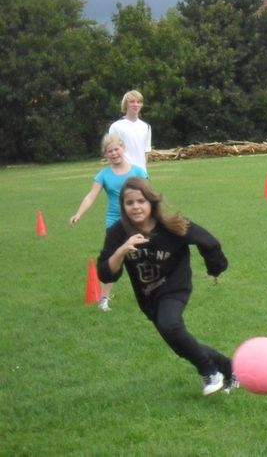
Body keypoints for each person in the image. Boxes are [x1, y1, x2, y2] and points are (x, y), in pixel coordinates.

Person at [96, 177, 238, 396]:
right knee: (180, 344)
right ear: (123, 207)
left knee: (170, 325)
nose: (136, 207)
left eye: (141, 201)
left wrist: (215, 268)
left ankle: (209, 371)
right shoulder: (119, 232)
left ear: (151, 202)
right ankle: (231, 369)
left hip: (174, 286)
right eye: (129, 203)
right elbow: (105, 273)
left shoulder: (171, 225)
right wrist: (122, 250)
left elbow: (209, 242)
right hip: (148, 297)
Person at [70, 134, 148, 311]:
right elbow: (91, 196)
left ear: (123, 148)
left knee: (143, 258)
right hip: (114, 223)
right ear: (105, 154)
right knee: (113, 260)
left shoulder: (138, 172)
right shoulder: (103, 175)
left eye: (116, 149)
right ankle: (104, 299)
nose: (113, 153)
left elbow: (148, 196)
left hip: (137, 221)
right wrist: (78, 213)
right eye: (109, 151)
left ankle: (151, 293)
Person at [109, 90, 152, 173]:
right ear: (125, 104)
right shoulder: (116, 126)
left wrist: (143, 172)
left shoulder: (146, 127)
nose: (136, 104)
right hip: (123, 173)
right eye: (132, 102)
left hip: (141, 174)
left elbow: (146, 152)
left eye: (138, 102)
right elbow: (112, 152)